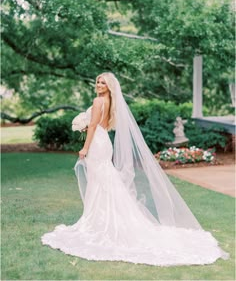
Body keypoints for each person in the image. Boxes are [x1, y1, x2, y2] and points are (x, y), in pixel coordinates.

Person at [41, 72, 228, 266]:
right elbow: (101, 125)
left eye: (102, 82)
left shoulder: (98, 102)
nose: (98, 84)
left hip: (97, 143)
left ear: (109, 86)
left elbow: (94, 126)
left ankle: (98, 220)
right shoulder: (111, 102)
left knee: (99, 180)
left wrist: (85, 147)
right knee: (104, 179)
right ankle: (103, 215)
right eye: (97, 81)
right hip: (105, 142)